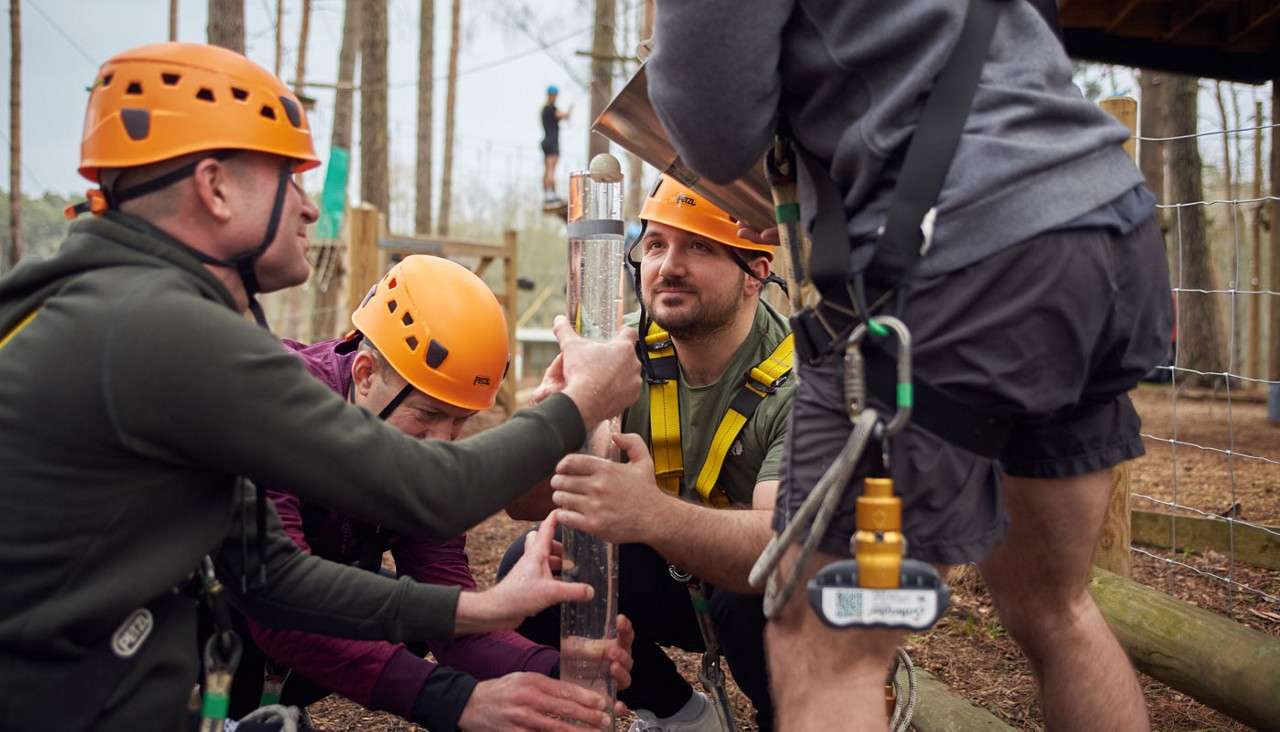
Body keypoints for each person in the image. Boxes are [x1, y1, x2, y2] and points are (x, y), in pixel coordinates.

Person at [0, 42, 639, 731]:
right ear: (213, 187)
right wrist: (580, 405)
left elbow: (267, 573)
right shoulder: (157, 325)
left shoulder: (110, 300)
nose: (309, 210)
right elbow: (435, 488)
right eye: (288, 179)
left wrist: (493, 615)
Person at [645, 3, 1173, 731]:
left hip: (950, 255)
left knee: (823, 639)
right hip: (1107, 222)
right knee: (1057, 607)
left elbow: (713, 130)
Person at [223, 254, 635, 731]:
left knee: (413, 611)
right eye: (427, 414)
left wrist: (558, 671)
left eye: (459, 422)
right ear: (364, 373)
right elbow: (278, 607)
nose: (443, 443)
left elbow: (450, 613)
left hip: (280, 618)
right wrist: (455, 701)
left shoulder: (413, 461)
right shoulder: (279, 404)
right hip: (175, 623)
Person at [503, 177, 794, 731]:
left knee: (765, 595)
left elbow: (787, 548)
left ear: (756, 271)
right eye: (657, 244)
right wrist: (551, 427)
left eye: (699, 246)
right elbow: (527, 503)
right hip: (664, 580)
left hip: (749, 592)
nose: (668, 265)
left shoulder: (798, 381)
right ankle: (679, 715)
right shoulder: (618, 354)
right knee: (537, 561)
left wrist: (651, 513)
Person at [541, 84, 570, 205]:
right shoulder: (551, 109)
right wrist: (570, 110)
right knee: (551, 169)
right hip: (552, 142)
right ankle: (551, 194)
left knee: (548, 169)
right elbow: (564, 116)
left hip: (546, 141)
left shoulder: (544, 110)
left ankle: (548, 193)